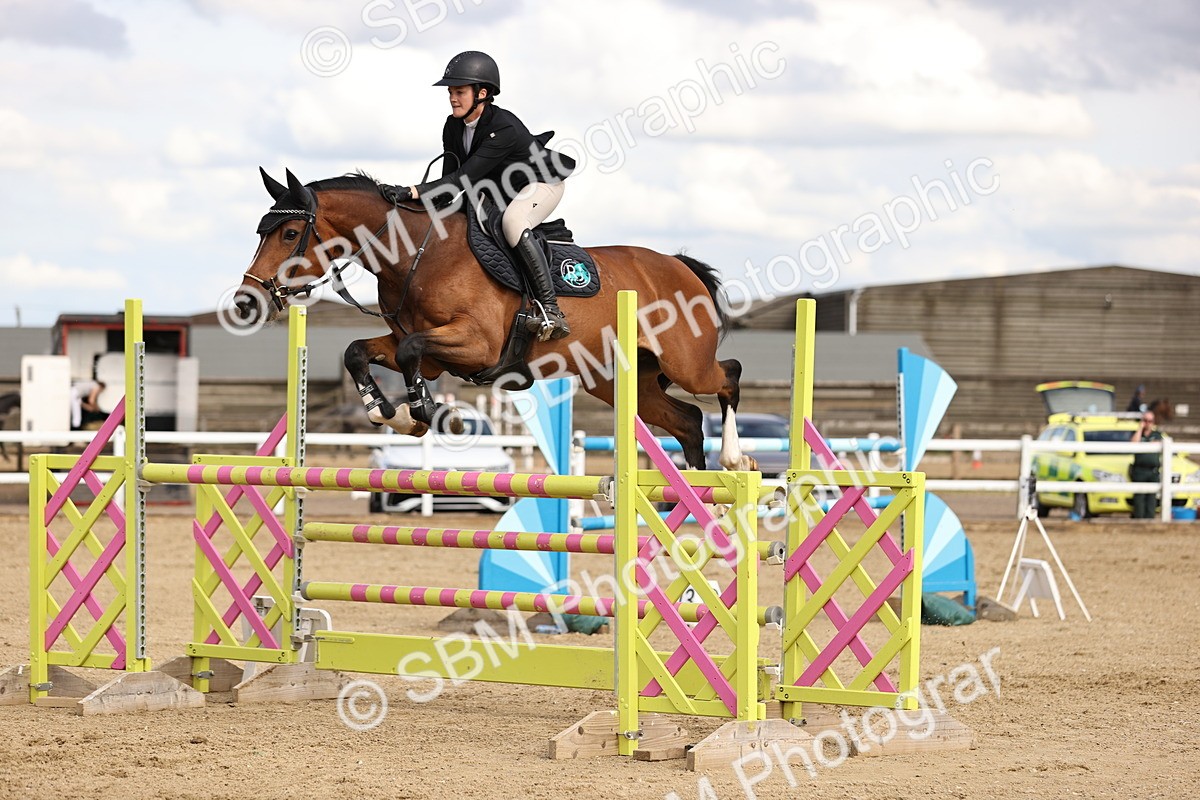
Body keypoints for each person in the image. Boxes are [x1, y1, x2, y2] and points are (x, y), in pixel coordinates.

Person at [387, 51, 576, 342]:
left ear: (482, 94)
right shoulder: (452, 126)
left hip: (540, 184)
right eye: (450, 92)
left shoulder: (503, 127)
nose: (452, 98)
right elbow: (448, 185)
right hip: (496, 188)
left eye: (459, 92)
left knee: (513, 222)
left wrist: (412, 191)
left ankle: (551, 309)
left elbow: (463, 178)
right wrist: (413, 205)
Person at [1129, 410, 1163, 519]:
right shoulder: (1137, 433)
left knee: (1151, 499)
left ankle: (1150, 520)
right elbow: (1133, 444)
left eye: (1150, 421)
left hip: (1152, 471)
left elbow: (1159, 443)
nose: (1148, 423)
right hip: (1139, 470)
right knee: (1139, 498)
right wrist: (1140, 428)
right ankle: (1139, 520)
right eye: (1145, 420)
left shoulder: (1157, 434)